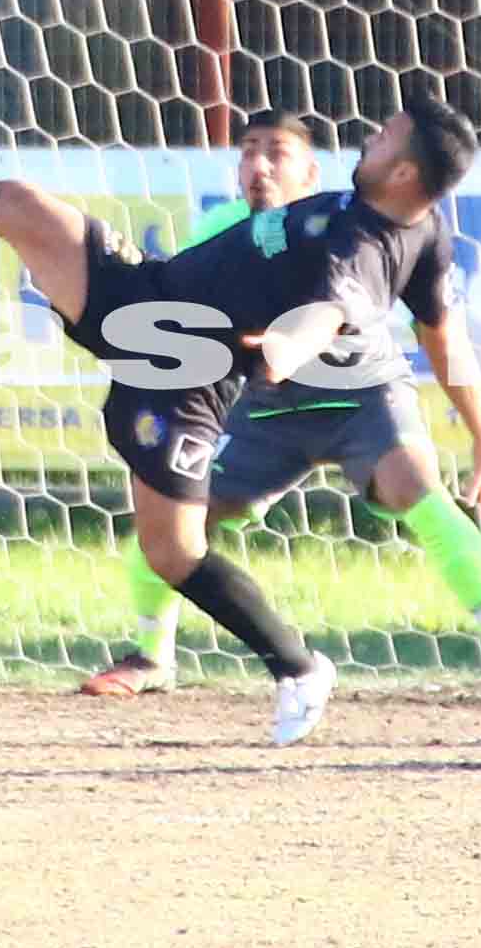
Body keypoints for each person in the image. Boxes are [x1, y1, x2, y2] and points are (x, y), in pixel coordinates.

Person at [0, 81, 481, 734]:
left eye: (385, 137)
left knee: (173, 553)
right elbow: (443, 333)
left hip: (183, 374)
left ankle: (300, 667)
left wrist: (279, 353)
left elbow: (331, 313)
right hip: (143, 298)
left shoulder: (363, 247)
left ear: (406, 176)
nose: (370, 141)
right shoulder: (424, 233)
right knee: (21, 205)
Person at [79, 115, 316, 696]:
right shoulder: (220, 226)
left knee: (415, 487)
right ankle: (152, 654)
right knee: (170, 509)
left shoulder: (328, 228)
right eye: (248, 152)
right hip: (249, 399)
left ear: (310, 172)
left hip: (338, 393)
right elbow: (190, 326)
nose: (258, 166)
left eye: (276, 153)